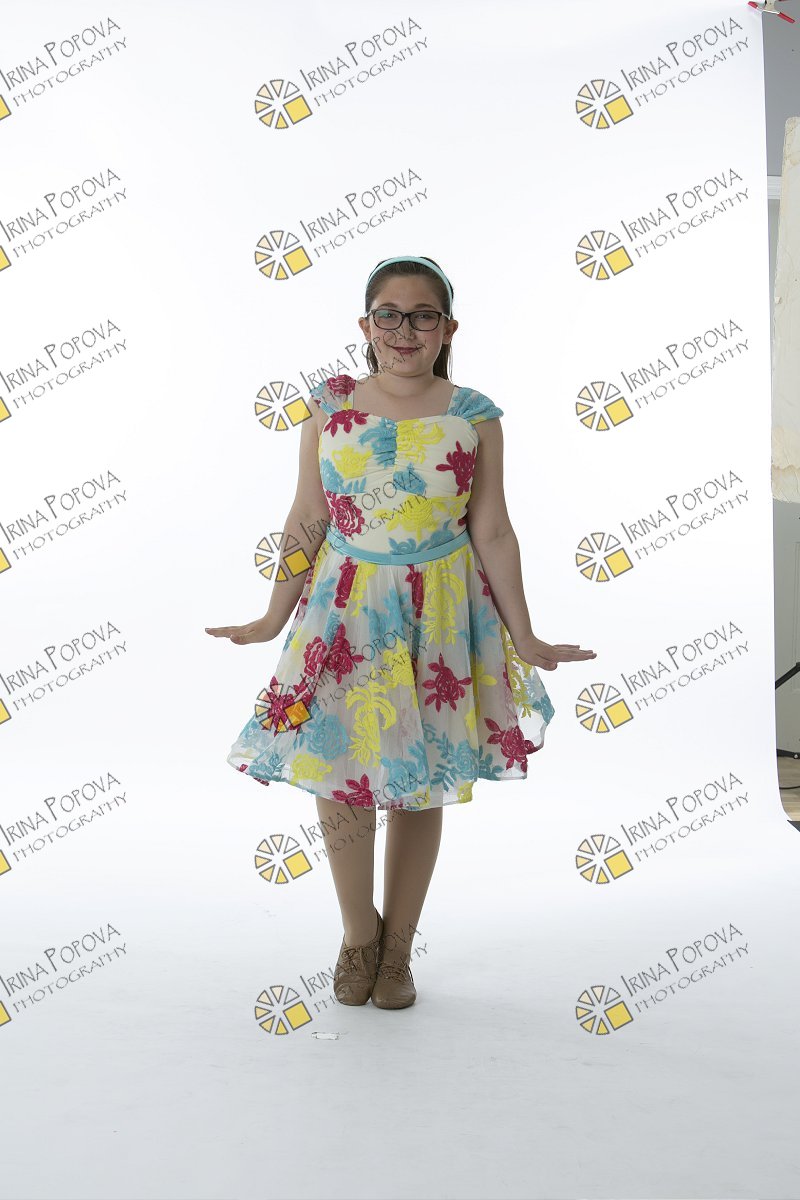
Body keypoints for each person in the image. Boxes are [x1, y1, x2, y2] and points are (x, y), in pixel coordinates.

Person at [206, 254, 596, 1010]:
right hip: (347, 609)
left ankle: (398, 947)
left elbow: (493, 529)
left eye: (423, 316)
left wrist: (526, 636)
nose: (405, 329)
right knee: (341, 765)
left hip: (441, 613)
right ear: (366, 325)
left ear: (448, 329)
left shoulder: (474, 415)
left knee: (421, 778)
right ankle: (359, 934)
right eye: (389, 314)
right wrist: (271, 615)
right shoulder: (330, 405)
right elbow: (307, 516)